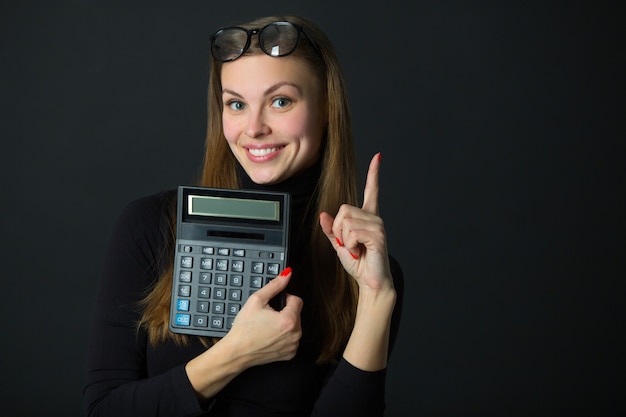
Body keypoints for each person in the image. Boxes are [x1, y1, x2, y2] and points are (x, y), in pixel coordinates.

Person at [83, 14, 403, 417]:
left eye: (280, 101)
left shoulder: (367, 270)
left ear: (326, 108)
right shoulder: (150, 227)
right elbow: (103, 410)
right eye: (236, 104)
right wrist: (237, 353)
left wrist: (376, 299)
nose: (253, 128)